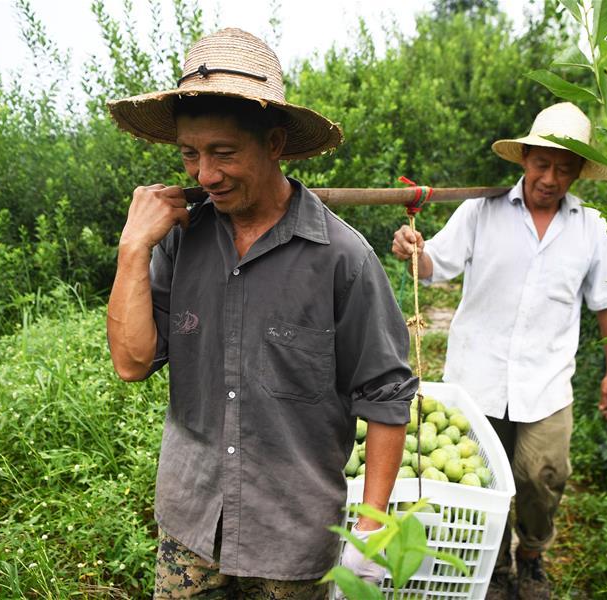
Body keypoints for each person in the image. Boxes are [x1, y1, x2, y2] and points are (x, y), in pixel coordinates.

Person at [106, 28, 417, 599]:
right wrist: (133, 250)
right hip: (191, 526)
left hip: (292, 542)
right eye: (190, 154)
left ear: (274, 144)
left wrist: (372, 528)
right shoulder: (181, 241)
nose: (204, 175)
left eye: (223, 153)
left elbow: (386, 395)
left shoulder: (342, 259)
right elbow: (131, 362)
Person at [391, 102, 607, 600]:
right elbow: (436, 265)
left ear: (579, 171)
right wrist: (414, 249)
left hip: (546, 381)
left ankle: (532, 555)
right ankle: (493, 565)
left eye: (565, 167)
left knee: (544, 475)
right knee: (480, 482)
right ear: (524, 159)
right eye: (542, 163)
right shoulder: (481, 209)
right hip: (477, 377)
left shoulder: (591, 227)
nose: (551, 177)